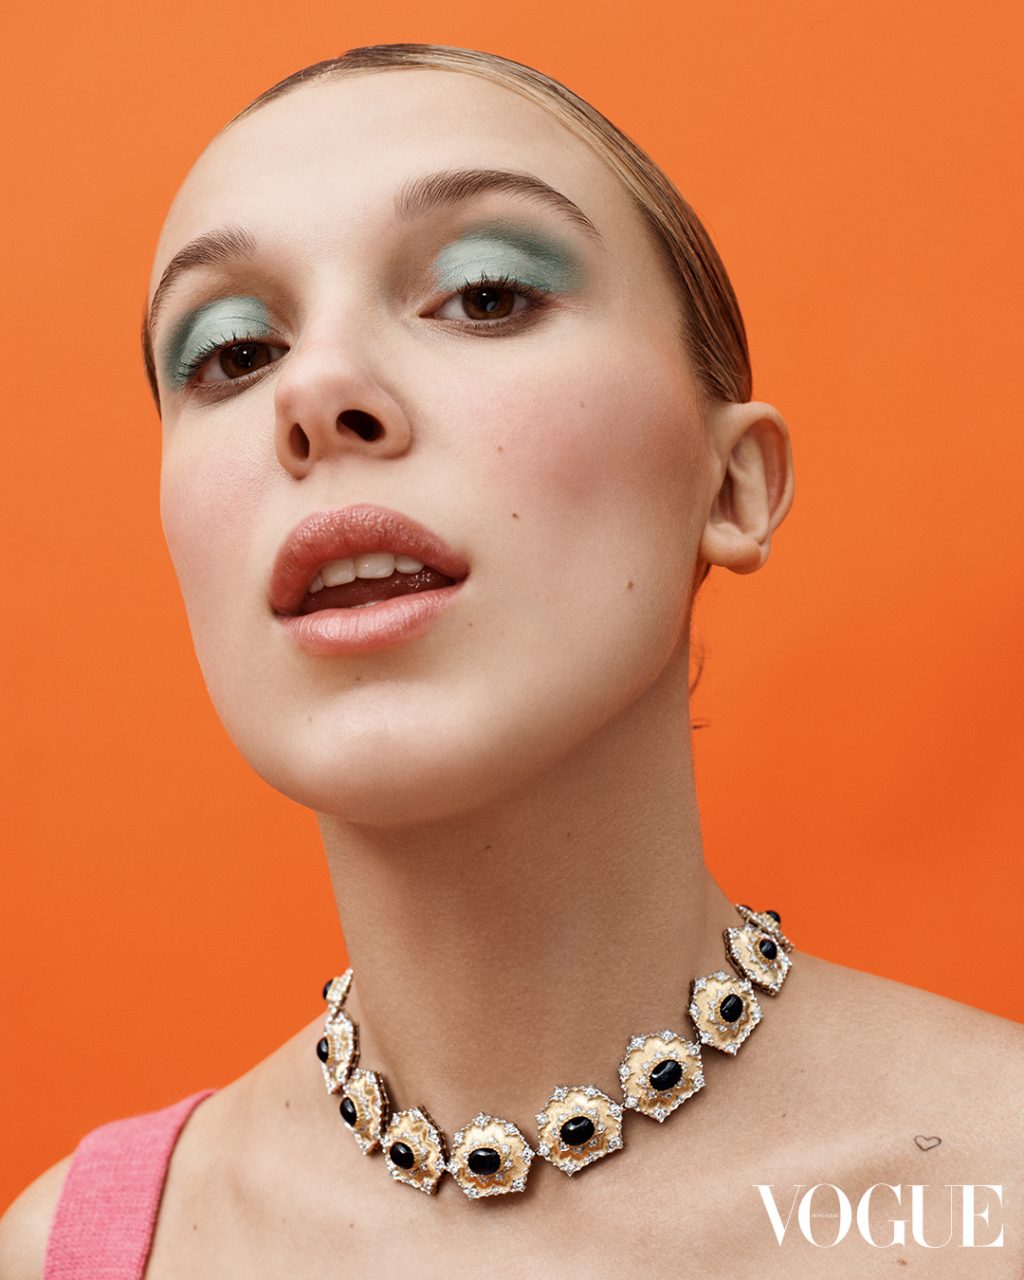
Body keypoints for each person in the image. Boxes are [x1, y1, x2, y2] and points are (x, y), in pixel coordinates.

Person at [1, 42, 1020, 1278]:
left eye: (485, 293)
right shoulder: (74, 1250)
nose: (315, 392)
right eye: (234, 352)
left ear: (730, 486)